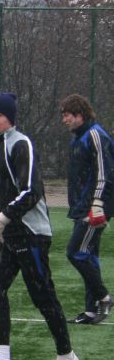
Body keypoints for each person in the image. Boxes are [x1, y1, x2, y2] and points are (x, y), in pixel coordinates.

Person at [0, 92, 79, 360]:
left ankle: (67, 357)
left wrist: (2, 219)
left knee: (43, 297)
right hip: (10, 236)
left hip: (31, 236)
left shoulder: (21, 144)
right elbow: (3, 191)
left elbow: (31, 192)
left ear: (10, 118)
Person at [60, 93, 114, 324]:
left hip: (93, 208)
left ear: (80, 115)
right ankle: (92, 310)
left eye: (68, 116)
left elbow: (105, 173)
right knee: (88, 255)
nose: (65, 120)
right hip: (82, 206)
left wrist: (98, 205)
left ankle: (104, 297)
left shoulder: (94, 135)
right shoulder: (78, 139)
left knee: (76, 252)